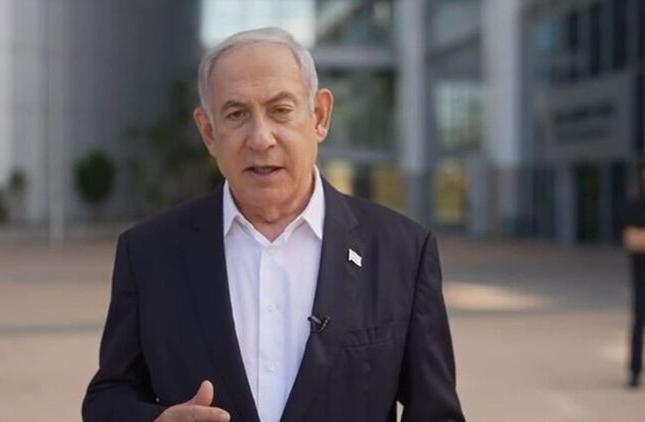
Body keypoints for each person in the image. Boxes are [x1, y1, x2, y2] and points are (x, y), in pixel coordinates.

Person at [82, 27, 465, 422]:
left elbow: (436, 413)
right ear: (209, 131)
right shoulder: (149, 253)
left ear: (319, 116)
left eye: (280, 110)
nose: (260, 139)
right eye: (236, 115)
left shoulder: (401, 250)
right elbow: (108, 398)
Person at [623, 168, 645, 388]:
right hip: (641, 280)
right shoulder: (636, 204)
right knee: (638, 323)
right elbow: (632, 239)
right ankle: (634, 370)